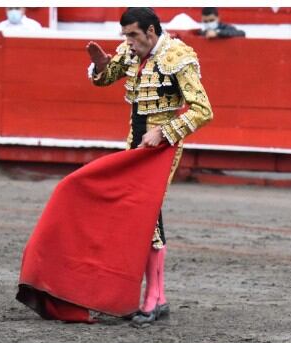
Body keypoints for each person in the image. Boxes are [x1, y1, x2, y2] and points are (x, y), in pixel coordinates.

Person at [85, 7, 214, 326]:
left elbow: (202, 110)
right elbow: (106, 80)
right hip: (135, 140)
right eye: (124, 35)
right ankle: (141, 297)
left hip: (162, 145)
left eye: (133, 35)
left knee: (147, 215)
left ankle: (154, 298)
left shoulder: (177, 55)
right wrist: (100, 67)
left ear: (151, 32)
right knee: (131, 215)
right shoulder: (129, 52)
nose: (127, 42)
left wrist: (166, 131)